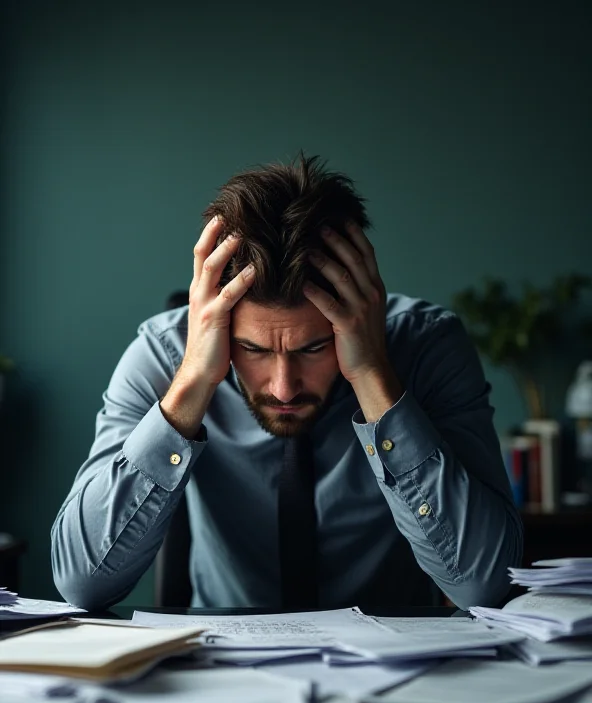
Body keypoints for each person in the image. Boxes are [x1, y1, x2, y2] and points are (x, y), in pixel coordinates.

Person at [51, 153, 522, 612]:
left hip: (395, 668)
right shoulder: (163, 355)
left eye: (313, 348)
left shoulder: (426, 349)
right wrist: (192, 381)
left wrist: (373, 373)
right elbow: (81, 583)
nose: (283, 387)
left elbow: (483, 584)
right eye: (254, 349)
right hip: (219, 663)